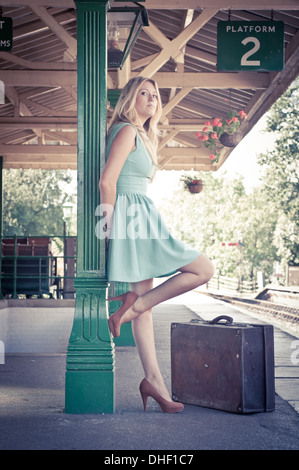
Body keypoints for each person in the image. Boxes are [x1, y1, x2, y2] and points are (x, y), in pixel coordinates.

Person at [99, 77, 214, 413]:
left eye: (154, 95)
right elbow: (107, 181)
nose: (150, 99)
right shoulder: (127, 130)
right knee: (203, 268)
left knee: (145, 305)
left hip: (140, 215)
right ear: (129, 100)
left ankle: (154, 382)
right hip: (133, 217)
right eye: (142, 94)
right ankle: (132, 307)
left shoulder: (142, 135)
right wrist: (106, 226)